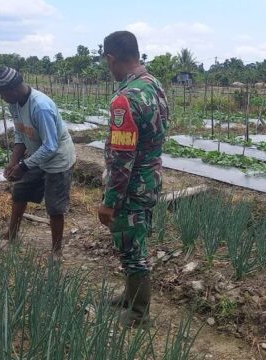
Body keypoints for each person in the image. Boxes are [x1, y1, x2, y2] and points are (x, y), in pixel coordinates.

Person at [98, 31, 168, 327]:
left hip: (132, 186)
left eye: (107, 62)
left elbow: (122, 158)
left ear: (111, 58)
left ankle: (139, 313)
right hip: (151, 178)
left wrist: (110, 202)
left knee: (131, 247)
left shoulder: (125, 99)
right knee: (134, 241)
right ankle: (130, 296)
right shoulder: (154, 85)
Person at [0, 66, 76, 259]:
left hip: (58, 159)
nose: (1, 98)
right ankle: (11, 235)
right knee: (20, 192)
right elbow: (20, 134)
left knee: (55, 207)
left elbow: (51, 146)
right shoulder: (14, 104)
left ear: (13, 89)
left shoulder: (40, 107)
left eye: (2, 93)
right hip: (39, 155)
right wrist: (14, 161)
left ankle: (56, 252)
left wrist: (23, 166)